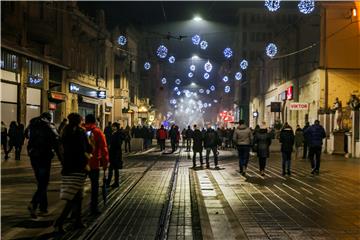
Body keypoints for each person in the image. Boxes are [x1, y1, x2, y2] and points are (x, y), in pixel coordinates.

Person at [54, 113, 91, 233]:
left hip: (67, 168)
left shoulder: (65, 132)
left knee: (77, 196)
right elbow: (87, 148)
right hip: (79, 167)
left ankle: (78, 221)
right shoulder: (81, 132)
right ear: (79, 121)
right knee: (72, 197)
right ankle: (60, 222)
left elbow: (61, 149)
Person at [26, 112, 61, 218]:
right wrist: (61, 158)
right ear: (48, 118)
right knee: (44, 183)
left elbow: (26, 135)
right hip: (44, 157)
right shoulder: (49, 126)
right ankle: (34, 203)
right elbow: (57, 142)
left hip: (34, 156)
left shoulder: (32, 124)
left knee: (41, 182)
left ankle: (43, 207)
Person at [84, 114, 109, 214]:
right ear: (95, 121)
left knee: (78, 187)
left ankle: (74, 211)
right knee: (94, 186)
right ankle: (93, 208)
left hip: (82, 163)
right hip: (94, 163)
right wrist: (105, 163)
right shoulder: (98, 132)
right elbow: (104, 148)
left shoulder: (81, 130)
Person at [107, 122, 124, 188]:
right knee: (113, 169)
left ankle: (113, 183)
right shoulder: (113, 133)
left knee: (113, 169)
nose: (112, 127)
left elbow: (118, 144)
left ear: (116, 127)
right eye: (112, 126)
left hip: (116, 154)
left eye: (114, 126)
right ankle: (113, 183)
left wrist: (112, 145)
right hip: (112, 153)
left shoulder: (118, 134)